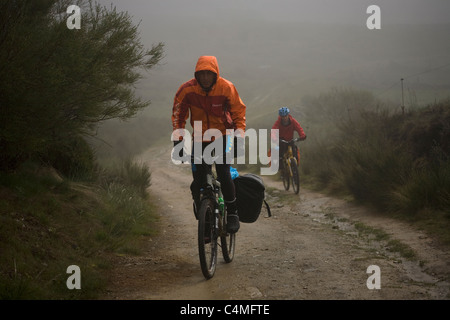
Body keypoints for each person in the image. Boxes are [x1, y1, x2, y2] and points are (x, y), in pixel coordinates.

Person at [171, 56, 246, 233]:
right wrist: (178, 140)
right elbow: (178, 115)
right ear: (196, 74)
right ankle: (204, 214)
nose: (205, 77)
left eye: (209, 74)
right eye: (201, 74)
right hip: (199, 139)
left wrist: (239, 137)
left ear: (215, 74)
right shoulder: (186, 90)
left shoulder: (226, 87)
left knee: (223, 173)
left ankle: (233, 212)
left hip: (223, 136)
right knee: (197, 182)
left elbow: (238, 113)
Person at [271, 107, 306, 174]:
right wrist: (274, 138)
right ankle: (281, 169)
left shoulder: (293, 121)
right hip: (281, 140)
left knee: (295, 151)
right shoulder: (278, 122)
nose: (284, 118)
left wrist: (302, 136)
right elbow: (273, 130)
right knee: (279, 153)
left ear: (288, 115)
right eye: (282, 116)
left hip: (290, 140)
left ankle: (295, 168)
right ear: (280, 116)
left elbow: (299, 128)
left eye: (285, 116)